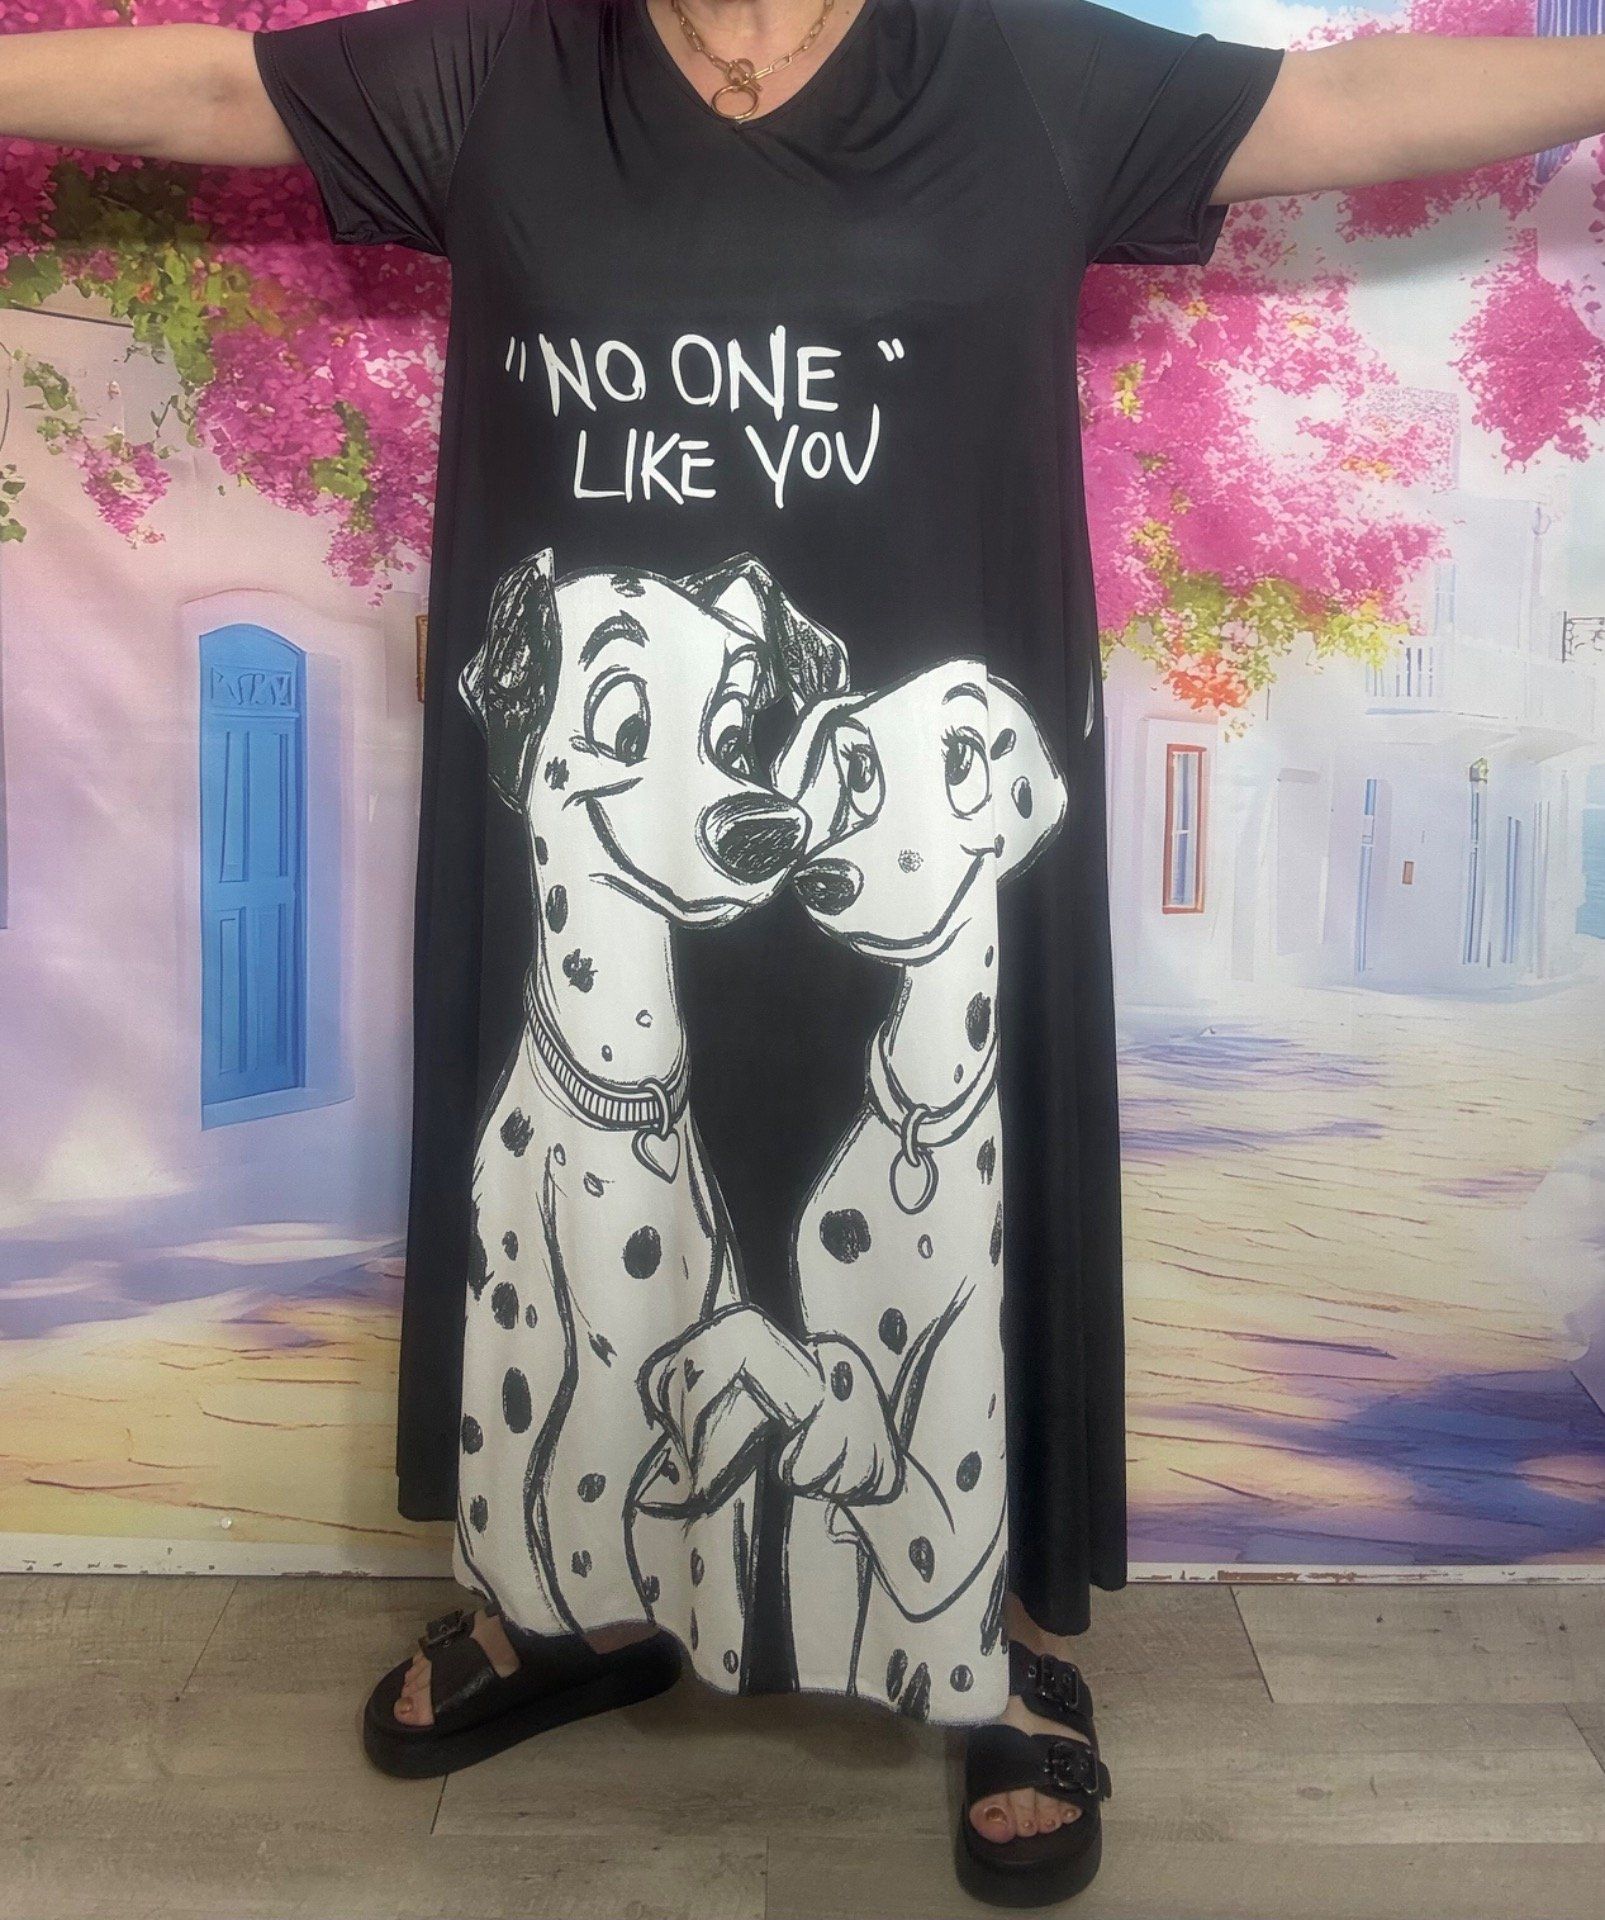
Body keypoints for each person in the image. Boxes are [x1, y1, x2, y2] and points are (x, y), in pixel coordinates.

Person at [3, 0, 1597, 1903]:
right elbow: (208, 84)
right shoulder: (502, 73)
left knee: (946, 1232)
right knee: (572, 1223)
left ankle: (990, 1643)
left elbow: (1344, 101)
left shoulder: (1014, 74)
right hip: (611, 829)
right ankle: (569, 1603)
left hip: (902, 826)